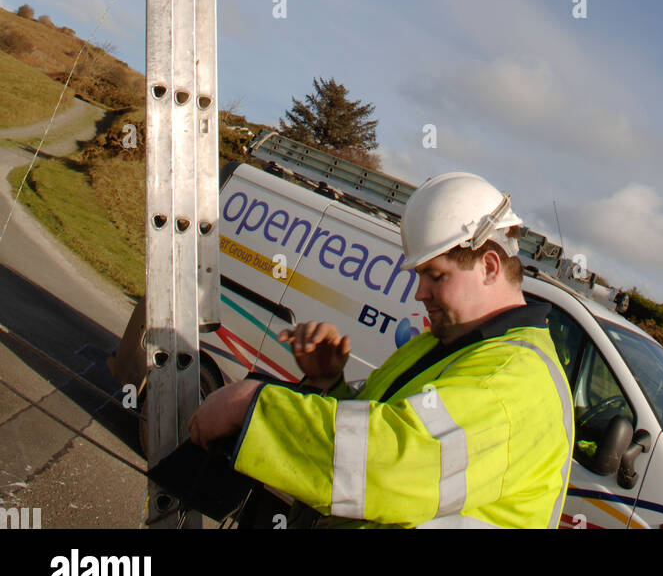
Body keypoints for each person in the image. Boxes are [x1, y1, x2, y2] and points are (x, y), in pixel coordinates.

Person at [188, 172, 575, 529]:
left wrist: (253, 407)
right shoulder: (446, 344)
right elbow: (372, 432)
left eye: (435, 275)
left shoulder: (512, 380)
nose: (420, 292)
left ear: (490, 266)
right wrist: (328, 383)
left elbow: (388, 464)